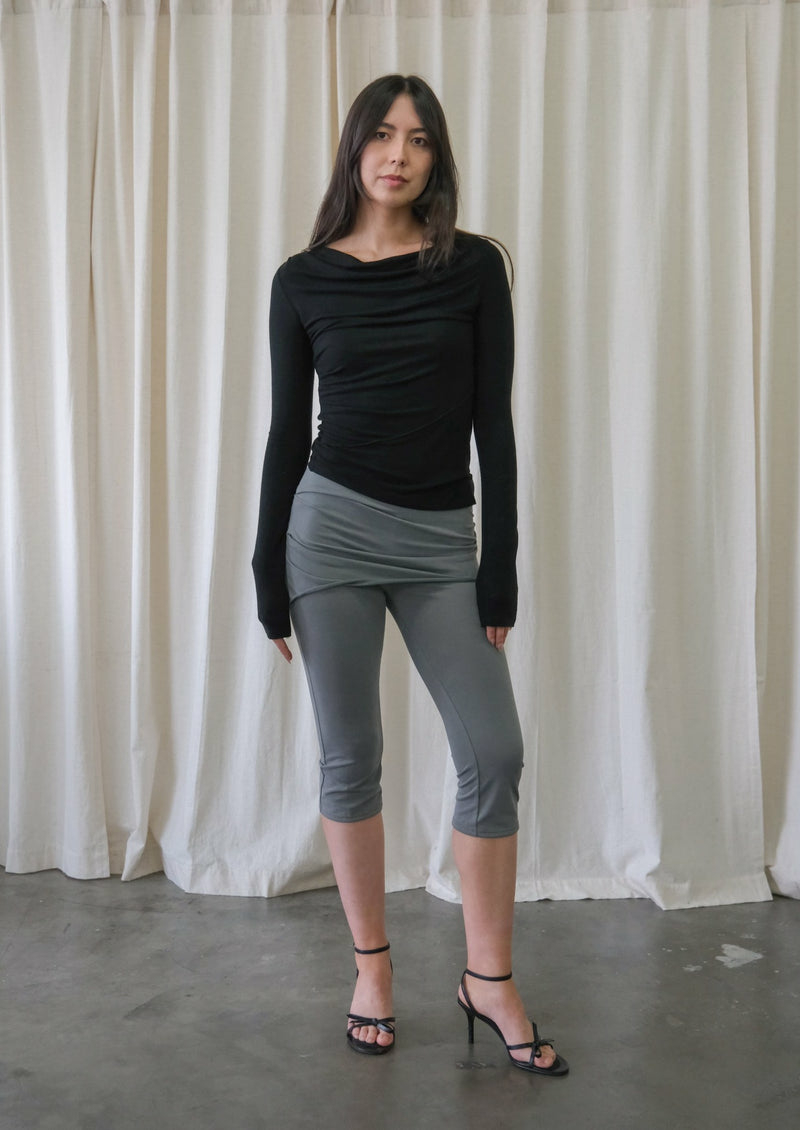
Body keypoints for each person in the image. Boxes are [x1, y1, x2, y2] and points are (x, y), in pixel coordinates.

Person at [252, 74, 567, 1076]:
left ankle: (488, 977)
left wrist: (497, 565)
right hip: (329, 532)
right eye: (382, 135)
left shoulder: (471, 267)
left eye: (419, 139)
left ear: (437, 158)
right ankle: (373, 969)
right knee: (351, 756)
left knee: (494, 752)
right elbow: (285, 433)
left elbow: (493, 425)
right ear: (355, 148)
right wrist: (265, 567)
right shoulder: (301, 280)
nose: (398, 153)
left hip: (439, 542)